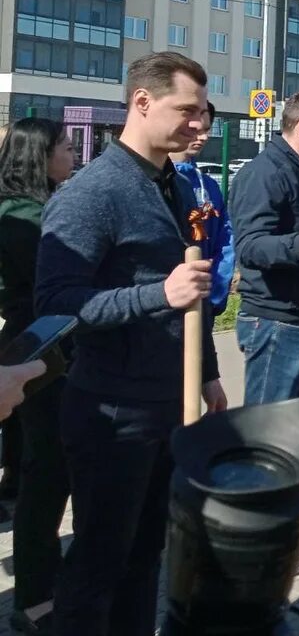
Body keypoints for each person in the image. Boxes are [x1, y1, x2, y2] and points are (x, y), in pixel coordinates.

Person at [36, 52, 227, 636]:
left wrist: (208, 370)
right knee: (99, 565)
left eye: (204, 113)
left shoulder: (171, 183)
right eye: (188, 112)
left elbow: (189, 293)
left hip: (168, 402)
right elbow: (56, 307)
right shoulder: (93, 192)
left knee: (145, 557)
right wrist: (155, 297)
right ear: (142, 104)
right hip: (113, 413)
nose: (201, 125)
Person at [0, 118, 76, 632]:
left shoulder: (42, 205)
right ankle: (32, 596)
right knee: (44, 473)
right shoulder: (21, 216)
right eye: (65, 147)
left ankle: (45, 576)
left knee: (48, 468)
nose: (73, 154)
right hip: (36, 352)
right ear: (39, 155)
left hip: (45, 349)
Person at [229, 91, 299, 405]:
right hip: (276, 322)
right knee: (267, 430)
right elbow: (251, 247)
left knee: (291, 427)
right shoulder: (265, 175)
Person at [171, 103, 234, 321]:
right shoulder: (155, 182)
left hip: (205, 304)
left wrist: (215, 294)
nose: (204, 137)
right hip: (165, 306)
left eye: (207, 130)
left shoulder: (209, 186)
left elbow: (225, 242)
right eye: (197, 130)